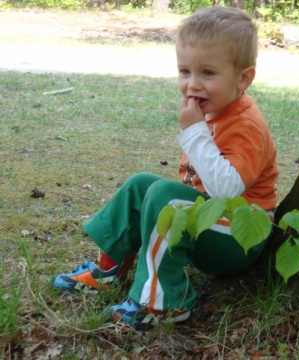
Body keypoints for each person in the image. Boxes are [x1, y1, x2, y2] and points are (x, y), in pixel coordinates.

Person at [52, 6, 278, 331]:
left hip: (238, 237)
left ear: (243, 78)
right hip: (208, 221)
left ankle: (163, 304)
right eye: (185, 71)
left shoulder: (245, 126)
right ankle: (109, 269)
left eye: (208, 73)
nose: (192, 85)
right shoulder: (215, 109)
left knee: (164, 195)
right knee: (142, 184)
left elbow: (227, 190)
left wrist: (194, 132)